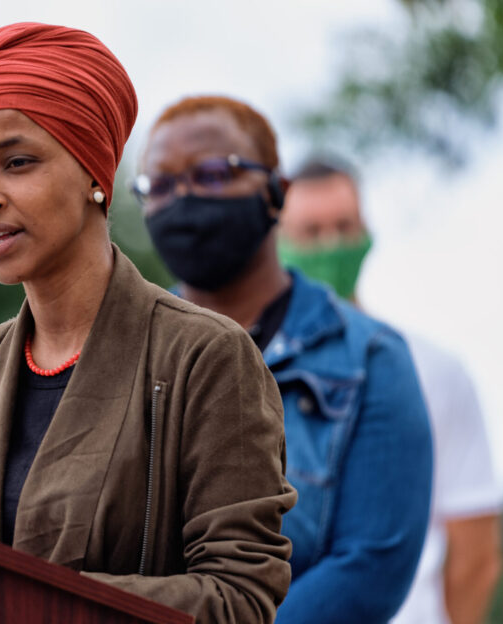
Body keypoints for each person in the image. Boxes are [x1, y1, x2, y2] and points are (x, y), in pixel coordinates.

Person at [0, 23, 295, 622]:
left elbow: (240, 597)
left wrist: (36, 606)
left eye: (17, 161)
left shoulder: (204, 355)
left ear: (95, 174)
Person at [136, 95, 434, 622]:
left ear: (277, 192)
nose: (184, 197)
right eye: (159, 184)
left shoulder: (369, 360)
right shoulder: (120, 351)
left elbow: (369, 567)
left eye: (212, 174)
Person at [280, 156, 503, 624]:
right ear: (277, 239)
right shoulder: (247, 364)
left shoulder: (431, 369)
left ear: (367, 232)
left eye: (345, 226)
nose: (332, 245)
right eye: (312, 232)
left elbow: (476, 548)